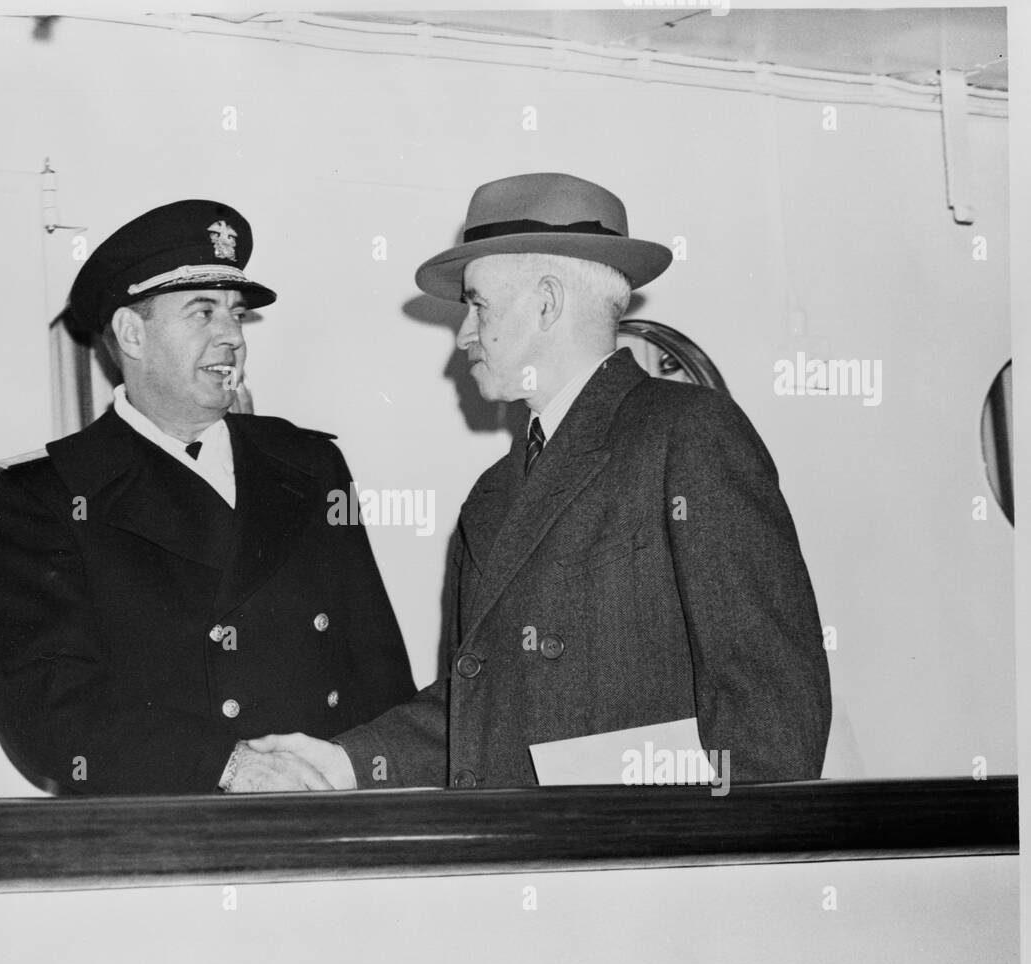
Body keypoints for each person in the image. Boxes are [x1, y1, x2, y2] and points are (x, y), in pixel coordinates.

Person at [242, 172, 831, 790]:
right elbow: (479, 711)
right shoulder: (492, 494)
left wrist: (725, 868)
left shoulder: (688, 432)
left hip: (644, 867)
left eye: (476, 304)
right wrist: (337, 763)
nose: (464, 334)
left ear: (547, 302)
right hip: (524, 859)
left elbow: (771, 705)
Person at [0, 199, 414, 795]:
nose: (231, 337)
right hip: (169, 829)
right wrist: (228, 765)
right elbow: (48, 712)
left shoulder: (310, 464)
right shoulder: (45, 497)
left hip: (327, 816)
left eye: (235, 314)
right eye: (202, 313)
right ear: (132, 333)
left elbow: (378, 663)